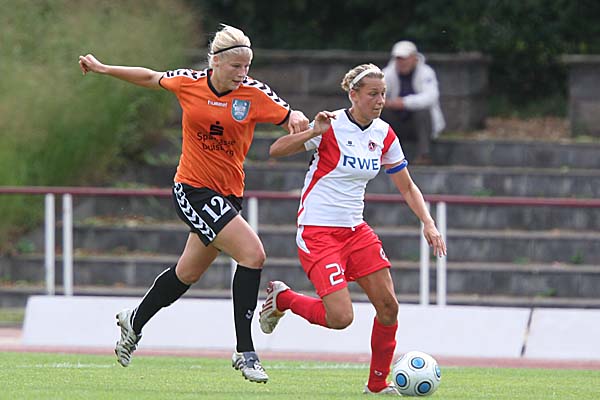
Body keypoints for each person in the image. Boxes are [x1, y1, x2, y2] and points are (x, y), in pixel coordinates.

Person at [78, 24, 309, 384]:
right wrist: (104, 68)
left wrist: (296, 118)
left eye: (247, 66)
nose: (242, 73)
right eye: (236, 66)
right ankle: (245, 351)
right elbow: (150, 77)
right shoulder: (189, 82)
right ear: (215, 62)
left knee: (187, 274)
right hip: (193, 190)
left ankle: (134, 320)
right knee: (253, 255)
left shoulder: (252, 93)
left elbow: (288, 113)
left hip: (229, 195)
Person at [258, 63, 446, 395]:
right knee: (340, 318)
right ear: (353, 95)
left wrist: (428, 223)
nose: (380, 100)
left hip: (355, 231)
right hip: (318, 231)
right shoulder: (330, 124)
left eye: (383, 94)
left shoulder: (383, 133)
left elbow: (407, 186)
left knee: (388, 307)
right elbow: (275, 151)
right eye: (373, 94)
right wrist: (312, 132)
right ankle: (283, 298)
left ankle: (377, 385)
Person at [381, 40, 445, 165]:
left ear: (414, 58)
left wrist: (404, 103)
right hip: (397, 124)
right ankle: (384, 155)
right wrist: (385, 102)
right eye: (399, 59)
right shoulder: (387, 73)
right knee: (380, 111)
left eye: (405, 58)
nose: (402, 62)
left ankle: (424, 155)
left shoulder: (426, 72)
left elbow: (431, 97)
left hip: (420, 126)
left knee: (422, 112)